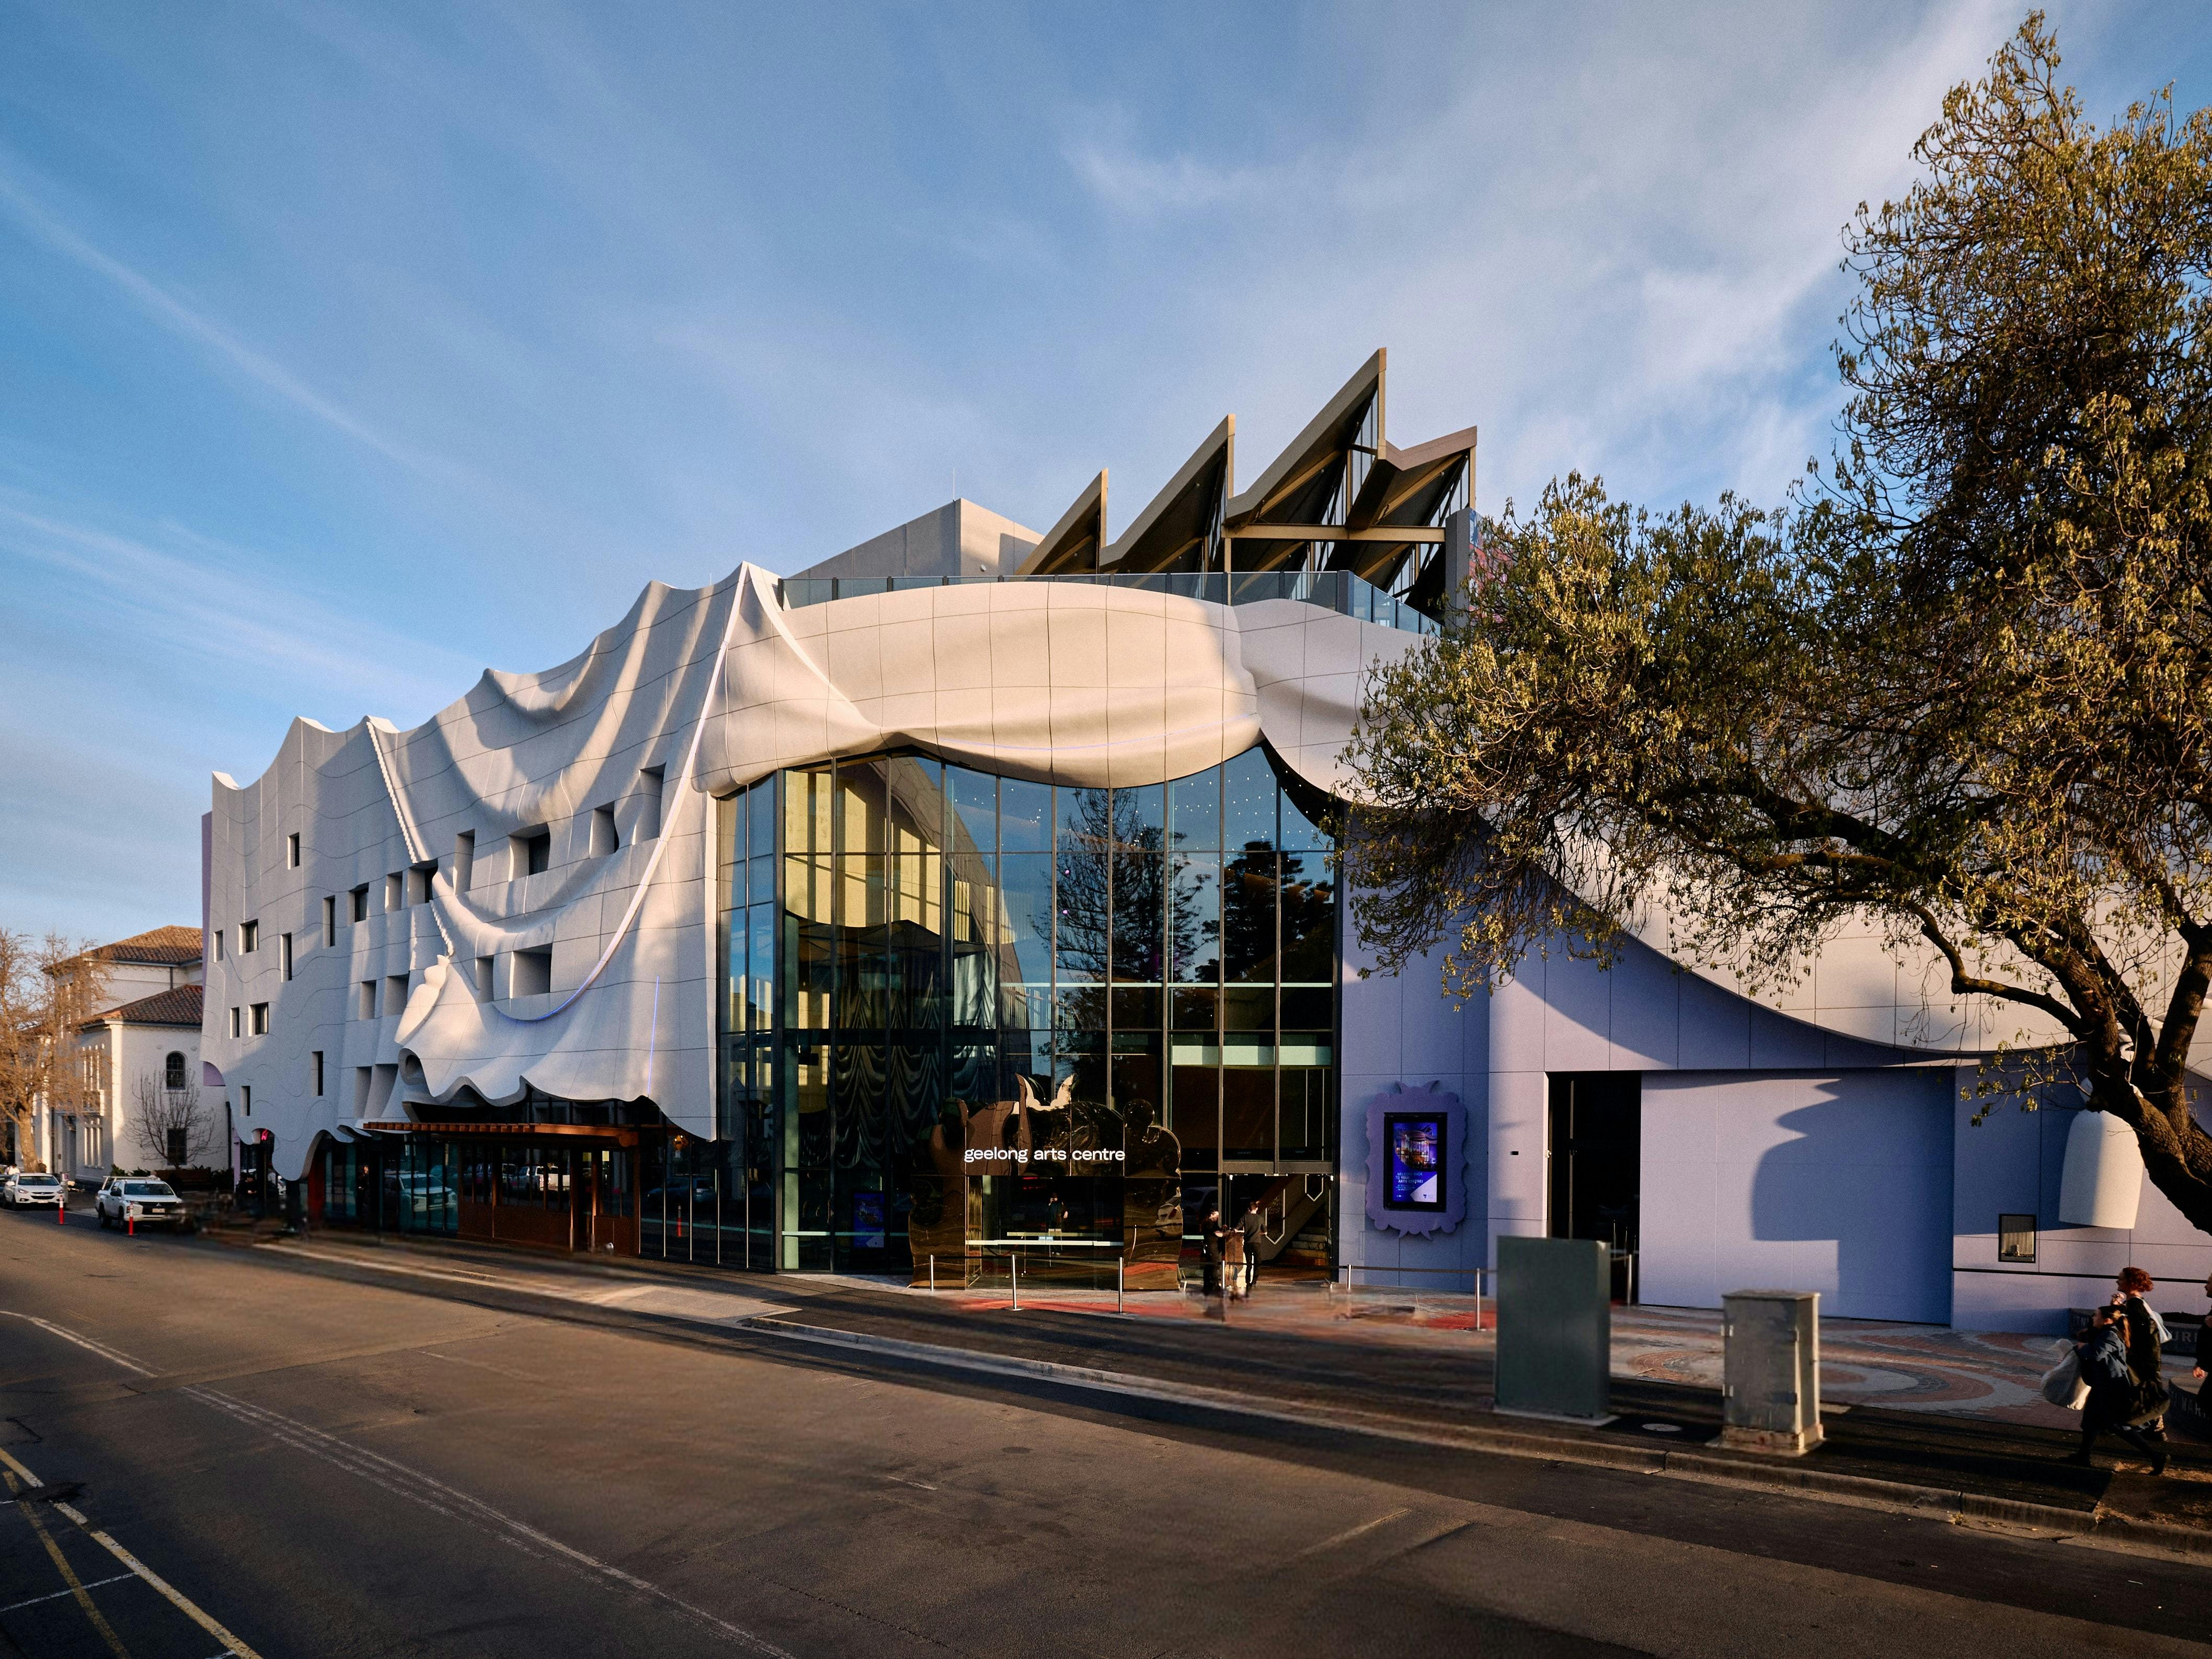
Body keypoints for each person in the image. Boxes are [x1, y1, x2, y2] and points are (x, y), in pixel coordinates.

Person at [2069, 1304, 2167, 1474]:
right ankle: (2083, 1456)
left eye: (2096, 1316)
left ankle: (2157, 1457)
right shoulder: (2106, 1332)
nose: (2093, 1318)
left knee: (2117, 1426)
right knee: (2091, 1422)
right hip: (2103, 1385)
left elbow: (2097, 1353)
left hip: (2111, 1388)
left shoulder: (2110, 1335)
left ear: (2107, 1320)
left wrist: (2082, 1348)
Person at [2111, 1266, 2172, 1441]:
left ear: (2131, 1283)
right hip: (2146, 1360)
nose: (2117, 1281)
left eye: (2121, 1278)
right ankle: (2154, 1427)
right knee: (2145, 1392)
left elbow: (2137, 1335)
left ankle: (2153, 1428)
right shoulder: (2137, 1304)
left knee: (2144, 1392)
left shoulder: (2135, 1306)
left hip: (2142, 1361)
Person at [1237, 1199, 1265, 1296]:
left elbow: (1237, 1229)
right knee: (1258, 1263)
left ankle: (1248, 1282)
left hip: (1247, 1244)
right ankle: (1254, 1282)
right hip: (1256, 1243)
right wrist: (1259, 1233)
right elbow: (1265, 1232)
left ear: (1248, 1209)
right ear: (1256, 1209)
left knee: (1249, 1264)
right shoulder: (1260, 1218)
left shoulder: (1245, 1217)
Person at [1222, 1217, 1247, 1301]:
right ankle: (1230, 1283)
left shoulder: (1245, 1218)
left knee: (1238, 1266)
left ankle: (1234, 1283)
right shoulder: (1246, 1218)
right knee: (1233, 1267)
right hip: (1231, 1252)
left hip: (1237, 1253)